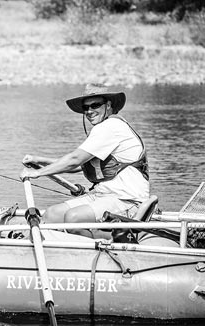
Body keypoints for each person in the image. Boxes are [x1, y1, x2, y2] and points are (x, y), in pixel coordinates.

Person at [20, 83, 150, 238]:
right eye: (85, 108)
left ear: (108, 105)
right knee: (51, 214)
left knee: (73, 218)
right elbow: (79, 165)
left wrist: (38, 173)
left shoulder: (111, 127)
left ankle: (101, 249)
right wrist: (39, 160)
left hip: (126, 200)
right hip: (103, 195)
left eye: (95, 105)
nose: (89, 111)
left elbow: (74, 160)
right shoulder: (104, 128)